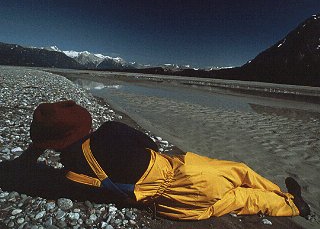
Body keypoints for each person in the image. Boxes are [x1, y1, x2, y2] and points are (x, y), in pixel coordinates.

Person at [18, 100, 311, 220]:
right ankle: (286, 195)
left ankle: (295, 208)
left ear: (51, 144)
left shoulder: (72, 177)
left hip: (172, 206)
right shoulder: (109, 132)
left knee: (242, 200)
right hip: (190, 177)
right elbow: (152, 144)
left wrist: (38, 149)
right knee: (241, 172)